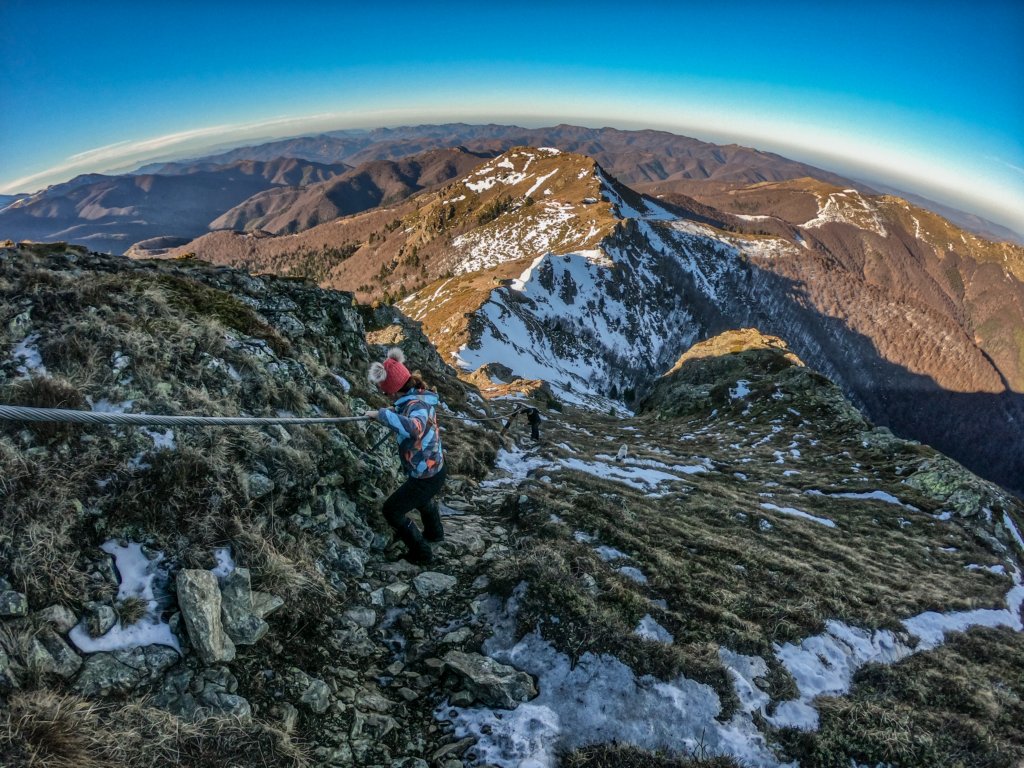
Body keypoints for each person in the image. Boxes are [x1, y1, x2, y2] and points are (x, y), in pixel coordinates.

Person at [365, 348, 446, 564]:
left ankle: (422, 553)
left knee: (392, 510)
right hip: (434, 469)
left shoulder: (415, 405)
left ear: (393, 390)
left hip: (425, 475)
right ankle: (435, 534)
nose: (386, 396)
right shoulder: (420, 397)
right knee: (422, 499)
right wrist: (390, 414)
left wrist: (383, 415)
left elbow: (414, 427)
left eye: (385, 392)